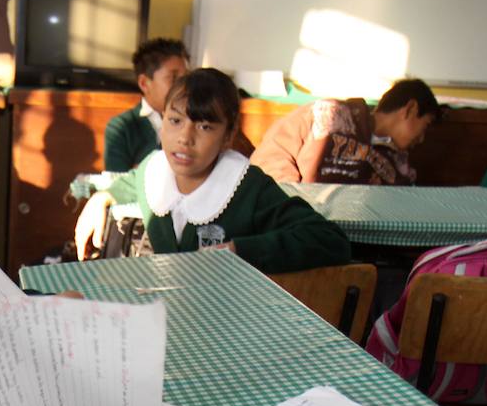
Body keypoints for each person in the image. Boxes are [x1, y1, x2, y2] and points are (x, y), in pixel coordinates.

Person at [74, 68, 350, 273]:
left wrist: (239, 250)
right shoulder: (154, 170)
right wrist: (102, 198)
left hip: (227, 322)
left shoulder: (246, 187)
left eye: (205, 126)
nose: (185, 137)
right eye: (175, 120)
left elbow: (329, 240)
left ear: (228, 135)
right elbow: (133, 182)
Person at [250, 78, 441, 185]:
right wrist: (293, 203)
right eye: (425, 125)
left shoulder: (400, 165)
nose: (422, 138)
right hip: (305, 225)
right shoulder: (329, 114)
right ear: (411, 109)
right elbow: (272, 155)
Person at [104, 38, 190, 172]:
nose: (183, 87)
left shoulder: (194, 123)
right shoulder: (121, 127)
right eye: (173, 78)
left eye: (185, 79)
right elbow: (118, 183)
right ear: (144, 83)